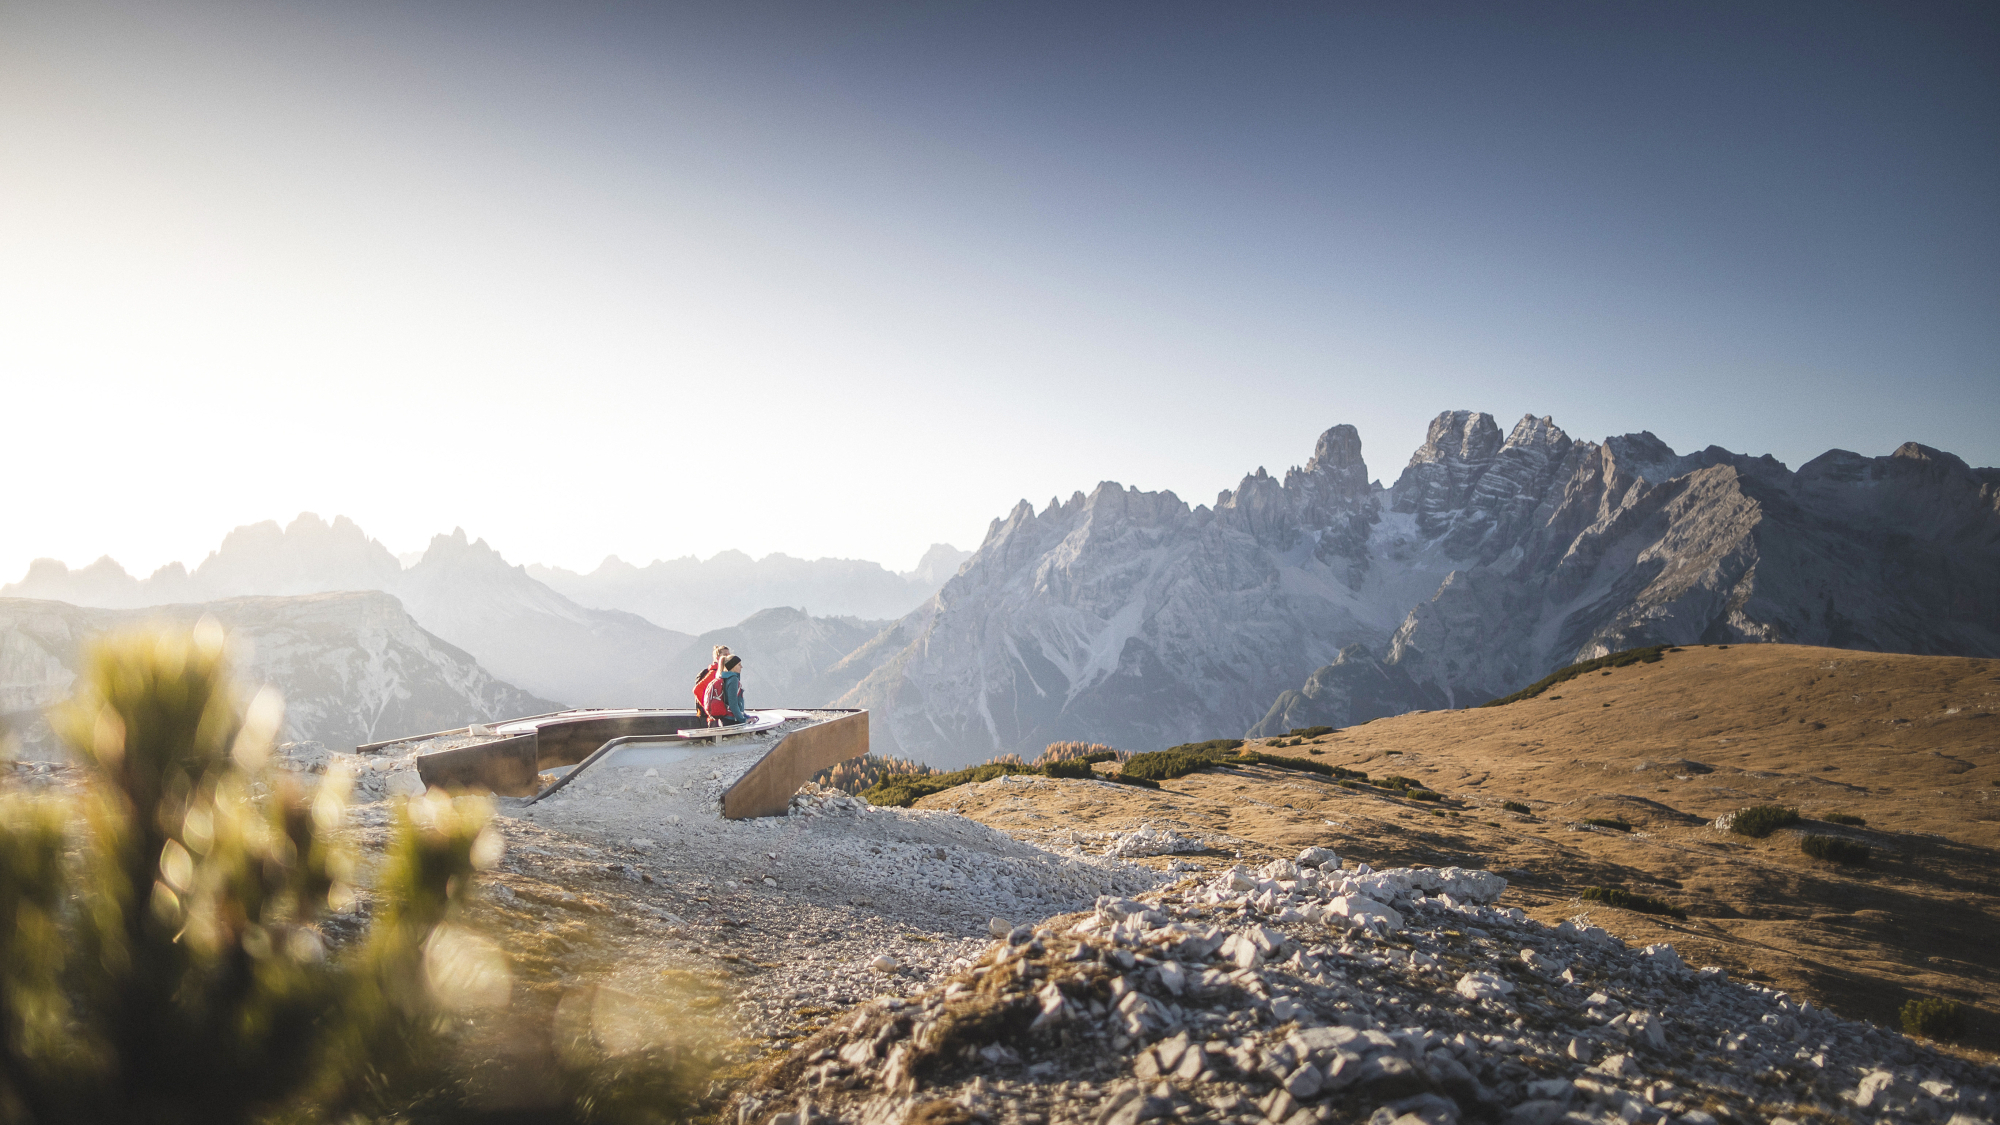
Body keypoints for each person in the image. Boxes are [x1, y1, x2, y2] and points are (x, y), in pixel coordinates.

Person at [711, 654, 747, 727]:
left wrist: (746, 716)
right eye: (739, 664)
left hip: (725, 718)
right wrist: (743, 719)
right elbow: (733, 703)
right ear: (733, 666)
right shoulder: (733, 679)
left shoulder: (725, 677)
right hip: (732, 719)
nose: (741, 667)